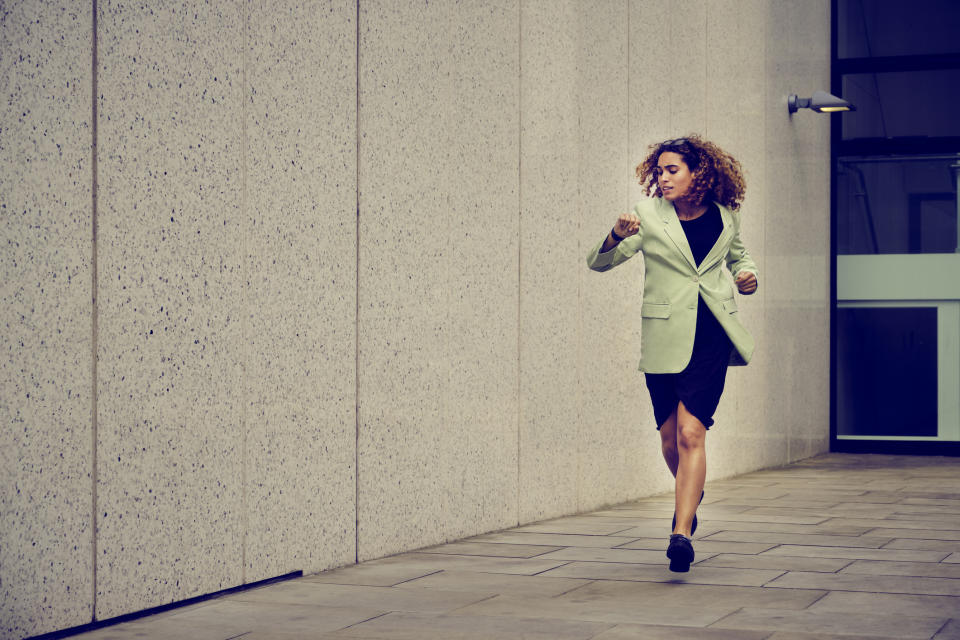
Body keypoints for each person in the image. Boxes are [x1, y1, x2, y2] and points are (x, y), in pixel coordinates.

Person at [586, 135, 758, 573]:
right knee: (668, 440)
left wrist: (746, 275)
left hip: (710, 335)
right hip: (664, 335)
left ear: (698, 172)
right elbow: (600, 262)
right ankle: (690, 500)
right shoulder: (647, 216)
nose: (661, 179)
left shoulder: (726, 217)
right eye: (658, 171)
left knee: (691, 434)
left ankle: (681, 533)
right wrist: (614, 236)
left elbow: (740, 258)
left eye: (671, 170)